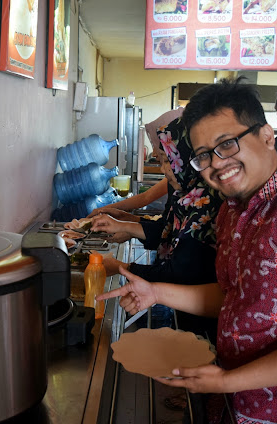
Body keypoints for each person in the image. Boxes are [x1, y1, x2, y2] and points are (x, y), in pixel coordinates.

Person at [98, 78, 277, 424]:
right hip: (236, 402)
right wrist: (155, 292)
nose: (216, 163)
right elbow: (238, 297)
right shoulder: (234, 209)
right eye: (203, 155)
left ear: (266, 135)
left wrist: (228, 380)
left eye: (227, 144)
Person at [91, 114, 224, 339]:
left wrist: (121, 266)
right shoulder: (189, 193)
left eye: (166, 160)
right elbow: (167, 230)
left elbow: (179, 274)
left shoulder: (206, 203)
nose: (163, 168)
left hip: (207, 322)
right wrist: (123, 224)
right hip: (188, 311)